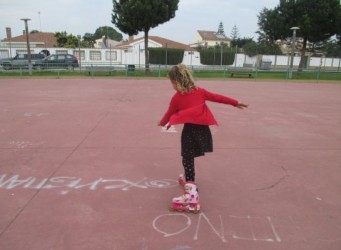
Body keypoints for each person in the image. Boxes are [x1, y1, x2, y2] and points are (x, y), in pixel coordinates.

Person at [158, 64, 248, 212]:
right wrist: (235, 102)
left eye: (172, 83)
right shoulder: (200, 92)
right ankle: (190, 182)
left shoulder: (177, 98)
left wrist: (161, 123)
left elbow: (169, 113)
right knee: (189, 156)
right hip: (203, 130)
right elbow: (218, 98)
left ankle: (191, 192)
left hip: (190, 130)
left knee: (187, 157)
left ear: (177, 82)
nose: (172, 86)